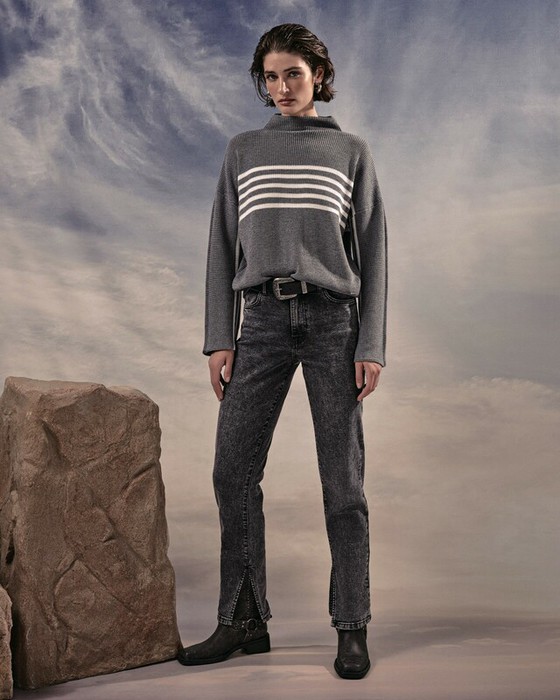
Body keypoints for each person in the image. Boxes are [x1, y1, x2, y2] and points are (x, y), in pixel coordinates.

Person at [178, 23, 387, 680]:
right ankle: (244, 620)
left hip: (333, 323)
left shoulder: (350, 152)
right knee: (232, 473)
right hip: (261, 321)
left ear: (318, 76)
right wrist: (220, 336)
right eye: (270, 76)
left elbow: (374, 250)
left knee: (342, 484)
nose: (281, 87)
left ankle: (351, 625)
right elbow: (221, 243)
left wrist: (372, 342)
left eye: (292, 73)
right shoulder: (243, 151)